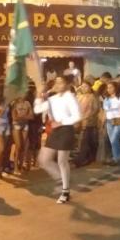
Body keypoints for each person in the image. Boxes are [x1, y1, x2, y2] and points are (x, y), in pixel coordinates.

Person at [34, 76, 81, 204]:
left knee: (62, 161)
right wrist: (39, 93)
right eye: (57, 82)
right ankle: (61, 179)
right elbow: (37, 109)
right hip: (55, 132)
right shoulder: (52, 98)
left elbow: (77, 116)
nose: (58, 84)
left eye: (61, 82)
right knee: (43, 159)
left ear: (67, 84)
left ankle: (65, 191)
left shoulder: (70, 97)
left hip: (66, 130)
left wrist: (61, 122)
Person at [102, 81, 120, 166]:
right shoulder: (106, 99)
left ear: (115, 88)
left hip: (119, 120)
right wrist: (102, 122)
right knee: (112, 141)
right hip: (109, 121)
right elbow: (105, 112)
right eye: (107, 88)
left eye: (111, 87)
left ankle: (116, 159)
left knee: (114, 139)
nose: (109, 89)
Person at [74, 81, 100, 166]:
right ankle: (84, 158)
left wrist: (87, 117)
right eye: (82, 86)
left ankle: (81, 159)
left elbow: (96, 109)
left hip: (89, 122)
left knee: (84, 141)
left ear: (90, 87)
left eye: (86, 86)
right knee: (83, 141)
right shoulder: (79, 96)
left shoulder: (93, 97)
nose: (83, 88)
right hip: (79, 121)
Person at [11, 96, 33, 174]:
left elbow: (31, 116)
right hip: (16, 125)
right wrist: (25, 117)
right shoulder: (15, 103)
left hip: (25, 125)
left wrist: (21, 116)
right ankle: (15, 167)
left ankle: (20, 165)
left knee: (23, 146)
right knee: (18, 146)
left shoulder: (27, 103)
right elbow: (14, 117)